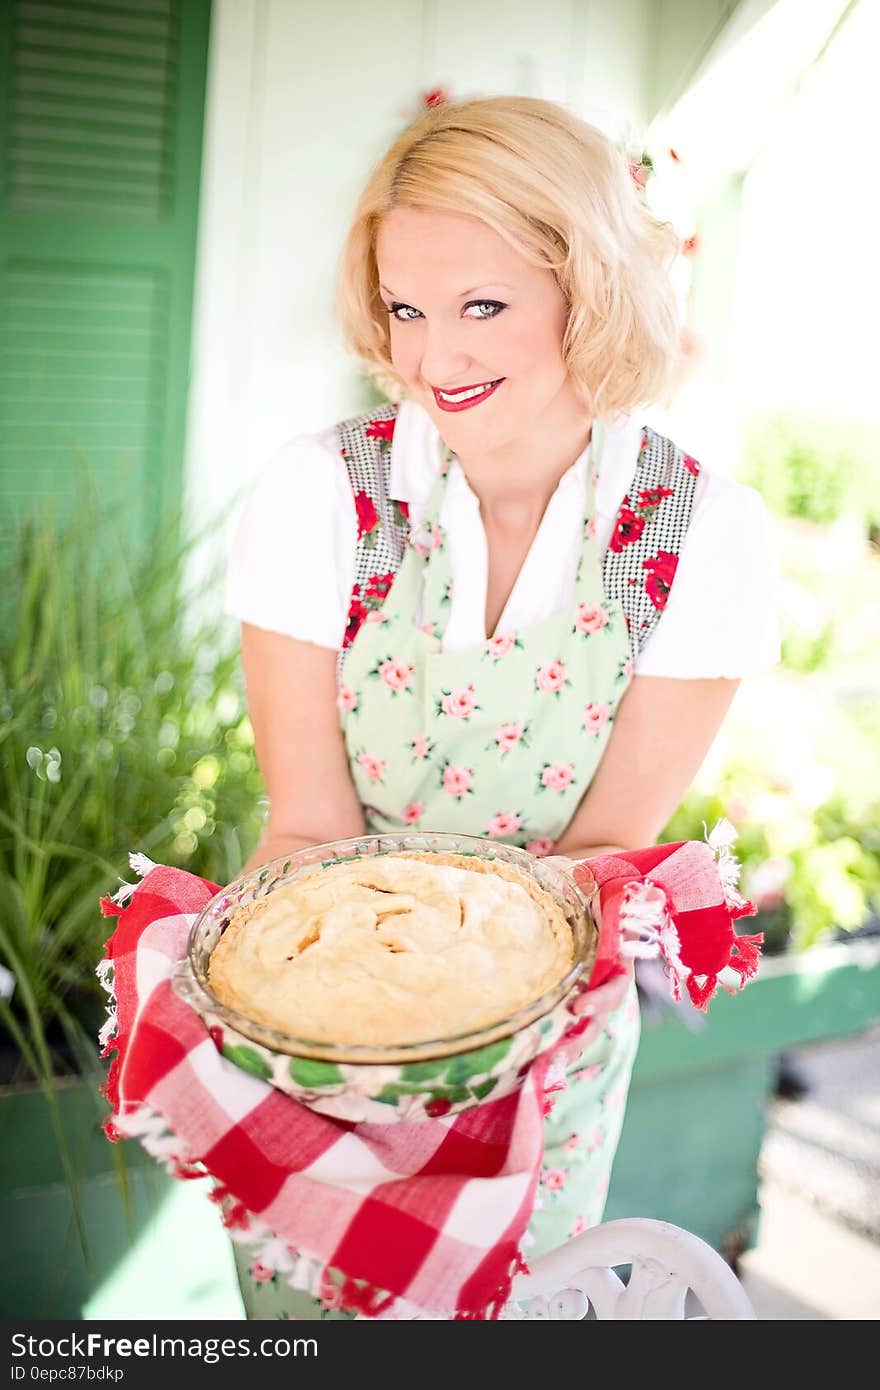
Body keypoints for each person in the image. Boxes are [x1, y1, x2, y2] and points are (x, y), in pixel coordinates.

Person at [223, 95, 779, 1318]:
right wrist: (330, 1057)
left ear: (588, 290)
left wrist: (465, 1061)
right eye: (405, 309)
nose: (434, 359)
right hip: (321, 1044)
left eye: (483, 307)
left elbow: (597, 857)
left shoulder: (693, 538)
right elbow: (309, 830)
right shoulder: (322, 496)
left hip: (540, 1071)